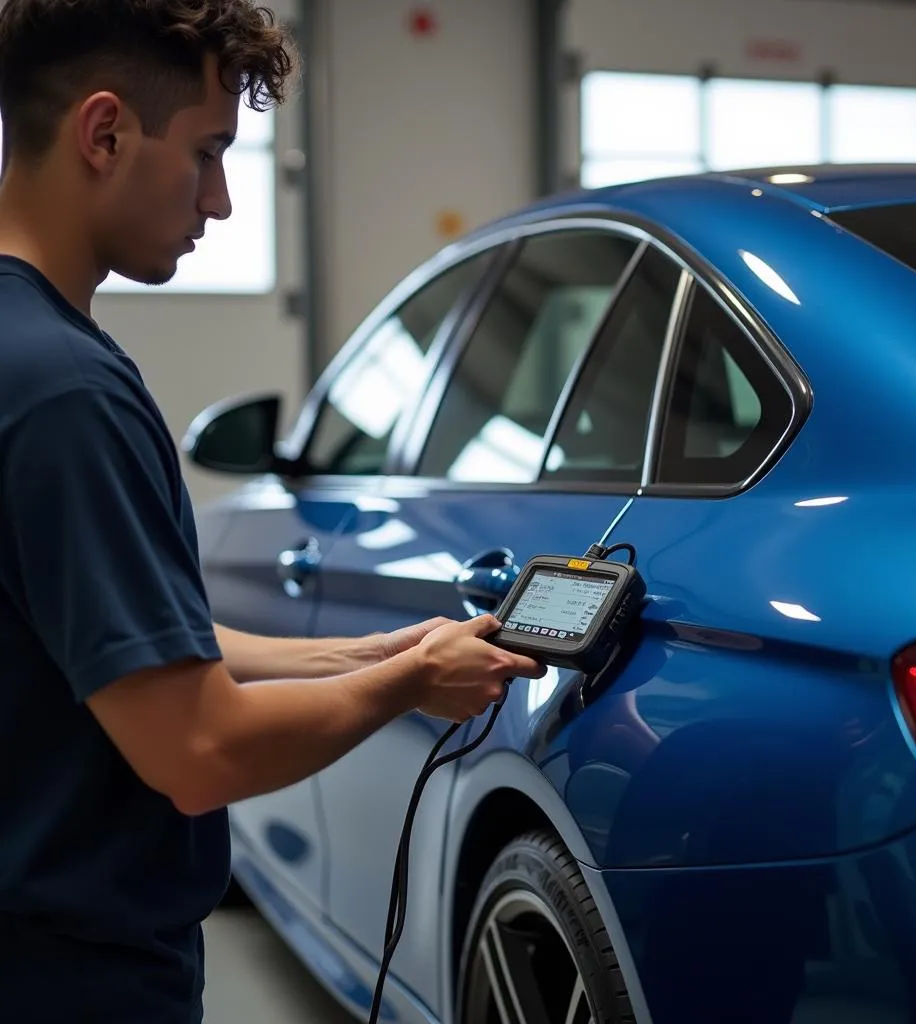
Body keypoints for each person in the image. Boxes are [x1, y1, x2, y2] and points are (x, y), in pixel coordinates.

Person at [0, 1, 546, 1021]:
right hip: (67, 978)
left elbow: (128, 651)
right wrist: (411, 683)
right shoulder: (66, 394)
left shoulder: (21, 357)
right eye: (207, 153)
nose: (219, 203)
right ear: (105, 133)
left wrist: (380, 651)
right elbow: (199, 750)